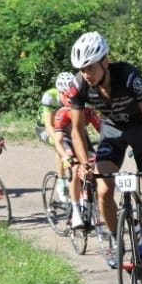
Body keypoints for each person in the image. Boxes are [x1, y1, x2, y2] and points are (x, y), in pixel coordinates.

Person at [68, 31, 142, 284]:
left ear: (105, 61)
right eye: (82, 69)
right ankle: (118, 241)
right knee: (103, 189)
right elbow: (77, 130)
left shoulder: (128, 77)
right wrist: (83, 164)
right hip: (112, 131)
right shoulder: (80, 85)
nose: (86, 74)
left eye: (90, 67)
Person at [53, 88, 101, 229]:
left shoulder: (89, 112)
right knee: (74, 169)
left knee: (97, 170)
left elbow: (103, 131)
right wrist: (65, 157)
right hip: (67, 141)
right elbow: (58, 141)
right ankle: (75, 213)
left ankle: (94, 206)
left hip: (81, 139)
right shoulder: (62, 114)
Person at [35, 72, 76, 202]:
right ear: (59, 91)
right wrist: (60, 143)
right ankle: (61, 181)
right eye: (65, 94)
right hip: (44, 128)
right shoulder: (49, 97)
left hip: (61, 126)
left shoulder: (75, 95)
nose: (68, 97)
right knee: (60, 144)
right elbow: (48, 125)